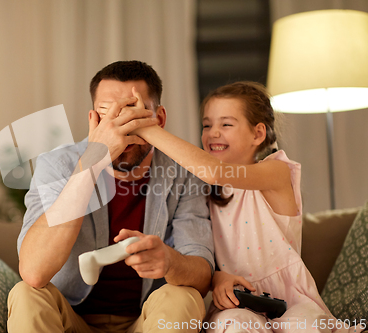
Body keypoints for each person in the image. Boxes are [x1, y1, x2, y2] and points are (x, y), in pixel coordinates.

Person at [133, 81, 363, 332]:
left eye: (226, 124)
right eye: (207, 125)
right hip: (236, 303)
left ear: (258, 134)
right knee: (234, 326)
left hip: (291, 300)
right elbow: (201, 252)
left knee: (306, 324)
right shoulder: (200, 190)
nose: (213, 133)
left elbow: (214, 172)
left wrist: (145, 128)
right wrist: (216, 278)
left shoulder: (277, 171)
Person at [7, 60, 214, 333]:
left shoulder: (183, 172)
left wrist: (170, 260)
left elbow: (201, 277)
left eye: (133, 114)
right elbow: (34, 272)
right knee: (26, 294)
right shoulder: (57, 165)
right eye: (108, 116)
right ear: (94, 121)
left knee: (183, 296)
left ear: (159, 119)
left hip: (147, 320)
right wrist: (92, 161)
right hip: (71, 319)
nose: (121, 129)